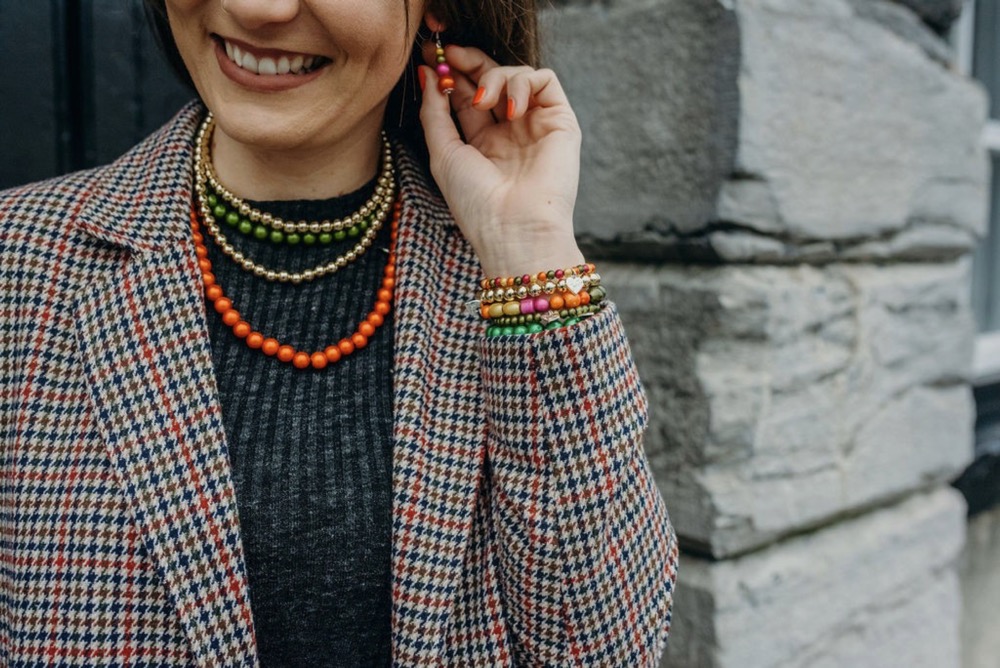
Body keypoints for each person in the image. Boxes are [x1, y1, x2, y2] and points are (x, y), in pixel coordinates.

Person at [0, 0, 679, 665]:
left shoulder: (508, 282)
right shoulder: (19, 264)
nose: (257, 9)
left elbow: (605, 649)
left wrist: (529, 246)